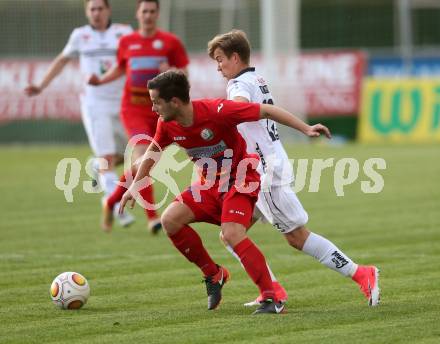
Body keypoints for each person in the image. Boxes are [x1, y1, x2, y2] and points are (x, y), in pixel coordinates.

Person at [119, 70, 331, 314]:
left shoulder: (218, 111)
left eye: (156, 101)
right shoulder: (166, 124)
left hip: (241, 180)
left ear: (175, 102)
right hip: (208, 185)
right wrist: (135, 184)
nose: (153, 108)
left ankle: (272, 298)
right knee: (170, 220)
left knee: (232, 233)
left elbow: (266, 110)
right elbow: (153, 152)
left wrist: (306, 128)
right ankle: (214, 274)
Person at [207, 29, 380, 307]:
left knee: (297, 237)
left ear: (235, 57)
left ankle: (362, 273)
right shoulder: (256, 78)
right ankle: (271, 289)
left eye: (220, 60)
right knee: (230, 234)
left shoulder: (238, 85)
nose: (218, 67)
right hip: (262, 168)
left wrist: (214, 116)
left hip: (265, 173)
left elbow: (236, 108)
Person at [24, 0, 134, 229]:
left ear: (108, 10)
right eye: (91, 9)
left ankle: (95, 165)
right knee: (107, 157)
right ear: (87, 12)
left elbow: (135, 60)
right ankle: (115, 205)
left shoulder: (124, 33)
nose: (96, 13)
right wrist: (41, 86)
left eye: (100, 8)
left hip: (123, 102)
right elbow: (62, 60)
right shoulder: (80, 36)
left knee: (125, 156)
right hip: (95, 104)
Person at [88, 0, 189, 234]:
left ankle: (111, 201)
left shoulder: (170, 42)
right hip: (133, 109)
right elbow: (121, 68)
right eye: (144, 11)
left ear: (158, 14)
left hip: (160, 111)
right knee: (144, 156)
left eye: (153, 11)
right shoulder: (127, 42)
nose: (148, 15)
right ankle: (152, 217)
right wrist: (101, 81)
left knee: (145, 162)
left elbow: (184, 75)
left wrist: (170, 73)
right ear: (138, 13)